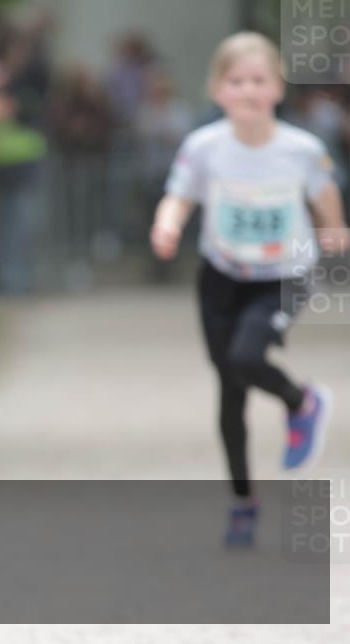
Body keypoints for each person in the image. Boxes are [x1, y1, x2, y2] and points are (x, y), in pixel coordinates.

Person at [150, 32, 349, 548]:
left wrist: (334, 231)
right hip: (222, 275)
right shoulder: (204, 146)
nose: (248, 91)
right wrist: (167, 224)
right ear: (217, 90)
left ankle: (301, 401)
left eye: (259, 80)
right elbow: (179, 196)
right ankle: (243, 502)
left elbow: (326, 195)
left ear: (277, 88)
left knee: (245, 355)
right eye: (236, 81)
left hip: (284, 277)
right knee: (230, 384)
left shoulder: (302, 149)